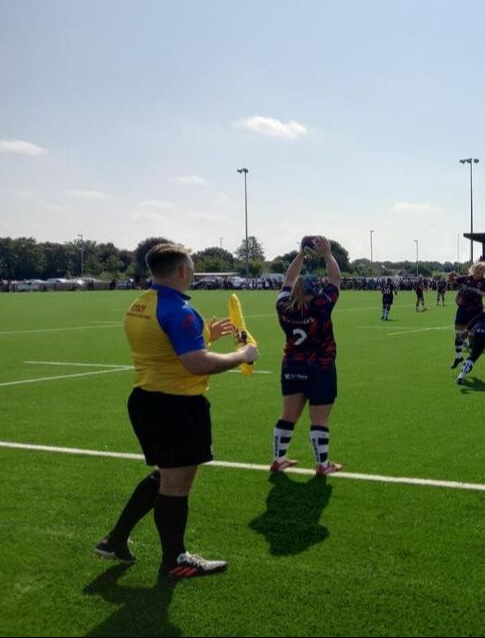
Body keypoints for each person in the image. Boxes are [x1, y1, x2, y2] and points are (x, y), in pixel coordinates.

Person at [97, 242, 258, 579]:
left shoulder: (141, 304)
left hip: (147, 399)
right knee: (177, 481)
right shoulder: (180, 311)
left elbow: (166, 348)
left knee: (166, 475)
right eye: (192, 265)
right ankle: (175, 558)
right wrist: (241, 356)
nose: (194, 270)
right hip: (176, 405)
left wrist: (205, 337)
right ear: (182, 270)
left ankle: (115, 539)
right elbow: (196, 364)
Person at [271, 236, 343, 476]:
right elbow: (336, 279)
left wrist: (301, 254)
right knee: (319, 418)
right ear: (314, 291)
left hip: (292, 364)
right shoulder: (321, 305)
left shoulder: (283, 306)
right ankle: (322, 465)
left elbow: (288, 279)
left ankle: (278, 459)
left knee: (288, 415)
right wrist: (327, 254)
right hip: (320, 366)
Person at [451, 262, 485, 369]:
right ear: (473, 269)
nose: (478, 270)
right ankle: (458, 357)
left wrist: (481, 293)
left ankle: (471, 359)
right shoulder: (466, 279)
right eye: (477, 268)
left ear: (484, 272)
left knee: (472, 335)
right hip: (462, 310)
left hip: (476, 312)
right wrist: (451, 276)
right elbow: (453, 281)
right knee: (458, 335)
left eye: (481, 269)